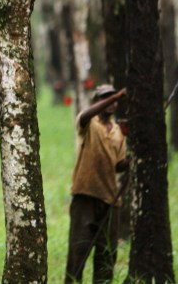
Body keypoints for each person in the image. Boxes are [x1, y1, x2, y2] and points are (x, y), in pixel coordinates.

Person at [65, 84, 128, 284]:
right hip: (85, 195)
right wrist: (116, 95)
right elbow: (85, 115)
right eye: (104, 98)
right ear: (97, 102)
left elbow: (118, 164)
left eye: (113, 99)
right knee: (78, 251)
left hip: (110, 199)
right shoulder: (87, 124)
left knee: (106, 254)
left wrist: (134, 160)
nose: (111, 103)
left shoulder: (119, 131)